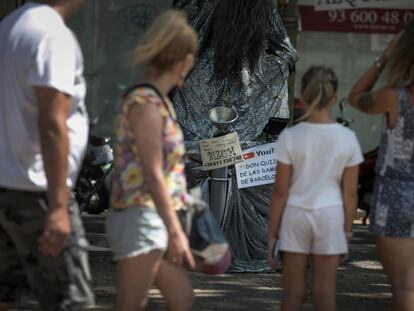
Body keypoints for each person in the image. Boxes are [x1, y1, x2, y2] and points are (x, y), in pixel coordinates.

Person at [172, 0, 297, 273]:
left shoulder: (199, 65)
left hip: (210, 73)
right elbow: (285, 52)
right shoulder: (263, 58)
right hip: (242, 75)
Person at [0, 1, 94, 311]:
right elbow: (53, 124)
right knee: (71, 301)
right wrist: (57, 206)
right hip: (38, 191)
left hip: (8, 184)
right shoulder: (52, 36)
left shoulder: (10, 26)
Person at [106, 10, 198, 311]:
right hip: (141, 216)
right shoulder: (146, 103)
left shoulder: (156, 101)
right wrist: (175, 231)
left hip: (150, 216)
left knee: (181, 299)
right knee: (132, 304)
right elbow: (154, 173)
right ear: (183, 59)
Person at [268, 66, 364, 311]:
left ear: (303, 94)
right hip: (330, 215)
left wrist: (271, 235)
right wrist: (347, 231)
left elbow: (280, 191)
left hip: (295, 215)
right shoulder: (347, 138)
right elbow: (350, 193)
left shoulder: (290, 137)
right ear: (334, 98)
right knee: (325, 296)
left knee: (292, 295)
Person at [347, 20, 414, 311]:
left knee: (404, 288)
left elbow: (354, 97)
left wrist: (383, 58)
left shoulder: (393, 98)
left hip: (395, 200)